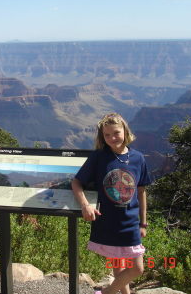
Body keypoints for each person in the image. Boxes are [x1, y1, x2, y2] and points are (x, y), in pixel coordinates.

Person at [71, 113, 152, 294]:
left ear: (125, 131)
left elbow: (141, 191)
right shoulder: (99, 157)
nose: (112, 138)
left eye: (116, 133)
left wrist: (143, 222)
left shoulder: (138, 158)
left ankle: (106, 293)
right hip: (108, 222)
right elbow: (76, 183)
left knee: (138, 268)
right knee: (118, 265)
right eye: (107, 135)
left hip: (130, 222)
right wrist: (85, 205)